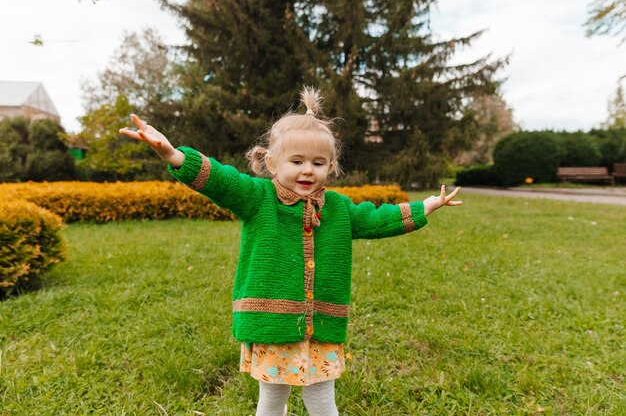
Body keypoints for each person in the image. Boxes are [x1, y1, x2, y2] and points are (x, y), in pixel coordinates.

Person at [119, 87, 462, 416]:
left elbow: (376, 218)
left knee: (323, 403)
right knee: (271, 402)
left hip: (321, 329)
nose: (307, 170)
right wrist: (172, 154)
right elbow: (220, 180)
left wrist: (424, 207)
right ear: (272, 163)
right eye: (296, 161)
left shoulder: (339, 209)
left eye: (318, 162)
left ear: (331, 166)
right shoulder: (258, 198)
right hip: (272, 323)